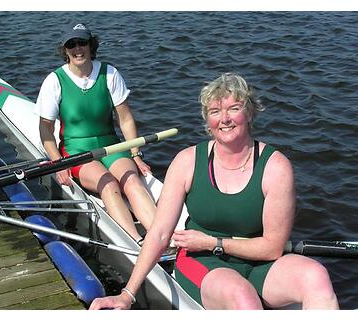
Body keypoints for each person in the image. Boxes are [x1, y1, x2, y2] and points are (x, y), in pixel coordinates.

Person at [90, 73, 339, 310]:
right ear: (207, 120)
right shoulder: (187, 161)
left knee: (316, 276)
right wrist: (127, 294)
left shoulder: (276, 167)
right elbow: (160, 233)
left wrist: (214, 242)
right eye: (215, 111)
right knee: (243, 297)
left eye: (234, 108)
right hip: (201, 260)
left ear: (249, 113)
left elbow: (273, 248)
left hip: (259, 261)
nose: (224, 119)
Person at [36, 23, 156, 243]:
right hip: (76, 150)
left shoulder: (109, 73)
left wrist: (135, 153)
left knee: (132, 182)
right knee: (108, 184)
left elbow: (126, 118)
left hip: (112, 145)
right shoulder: (54, 81)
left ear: (91, 46)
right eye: (71, 44)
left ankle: (162, 238)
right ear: (65, 50)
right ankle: (135, 241)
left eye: (82, 42)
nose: (77, 48)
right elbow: (45, 129)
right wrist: (58, 163)